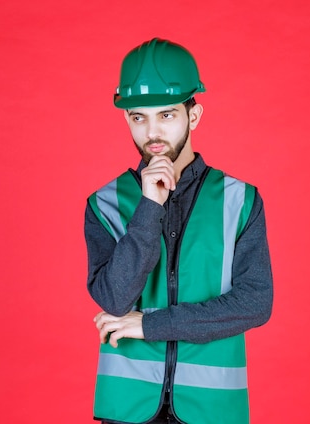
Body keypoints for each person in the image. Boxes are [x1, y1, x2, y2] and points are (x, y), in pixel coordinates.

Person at [84, 38, 273, 424]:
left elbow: (255, 303)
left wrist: (150, 325)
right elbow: (115, 299)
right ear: (126, 119)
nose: (152, 133)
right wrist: (149, 207)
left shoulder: (240, 200)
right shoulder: (104, 203)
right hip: (127, 408)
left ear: (194, 116)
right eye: (139, 117)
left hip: (213, 410)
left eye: (167, 115)